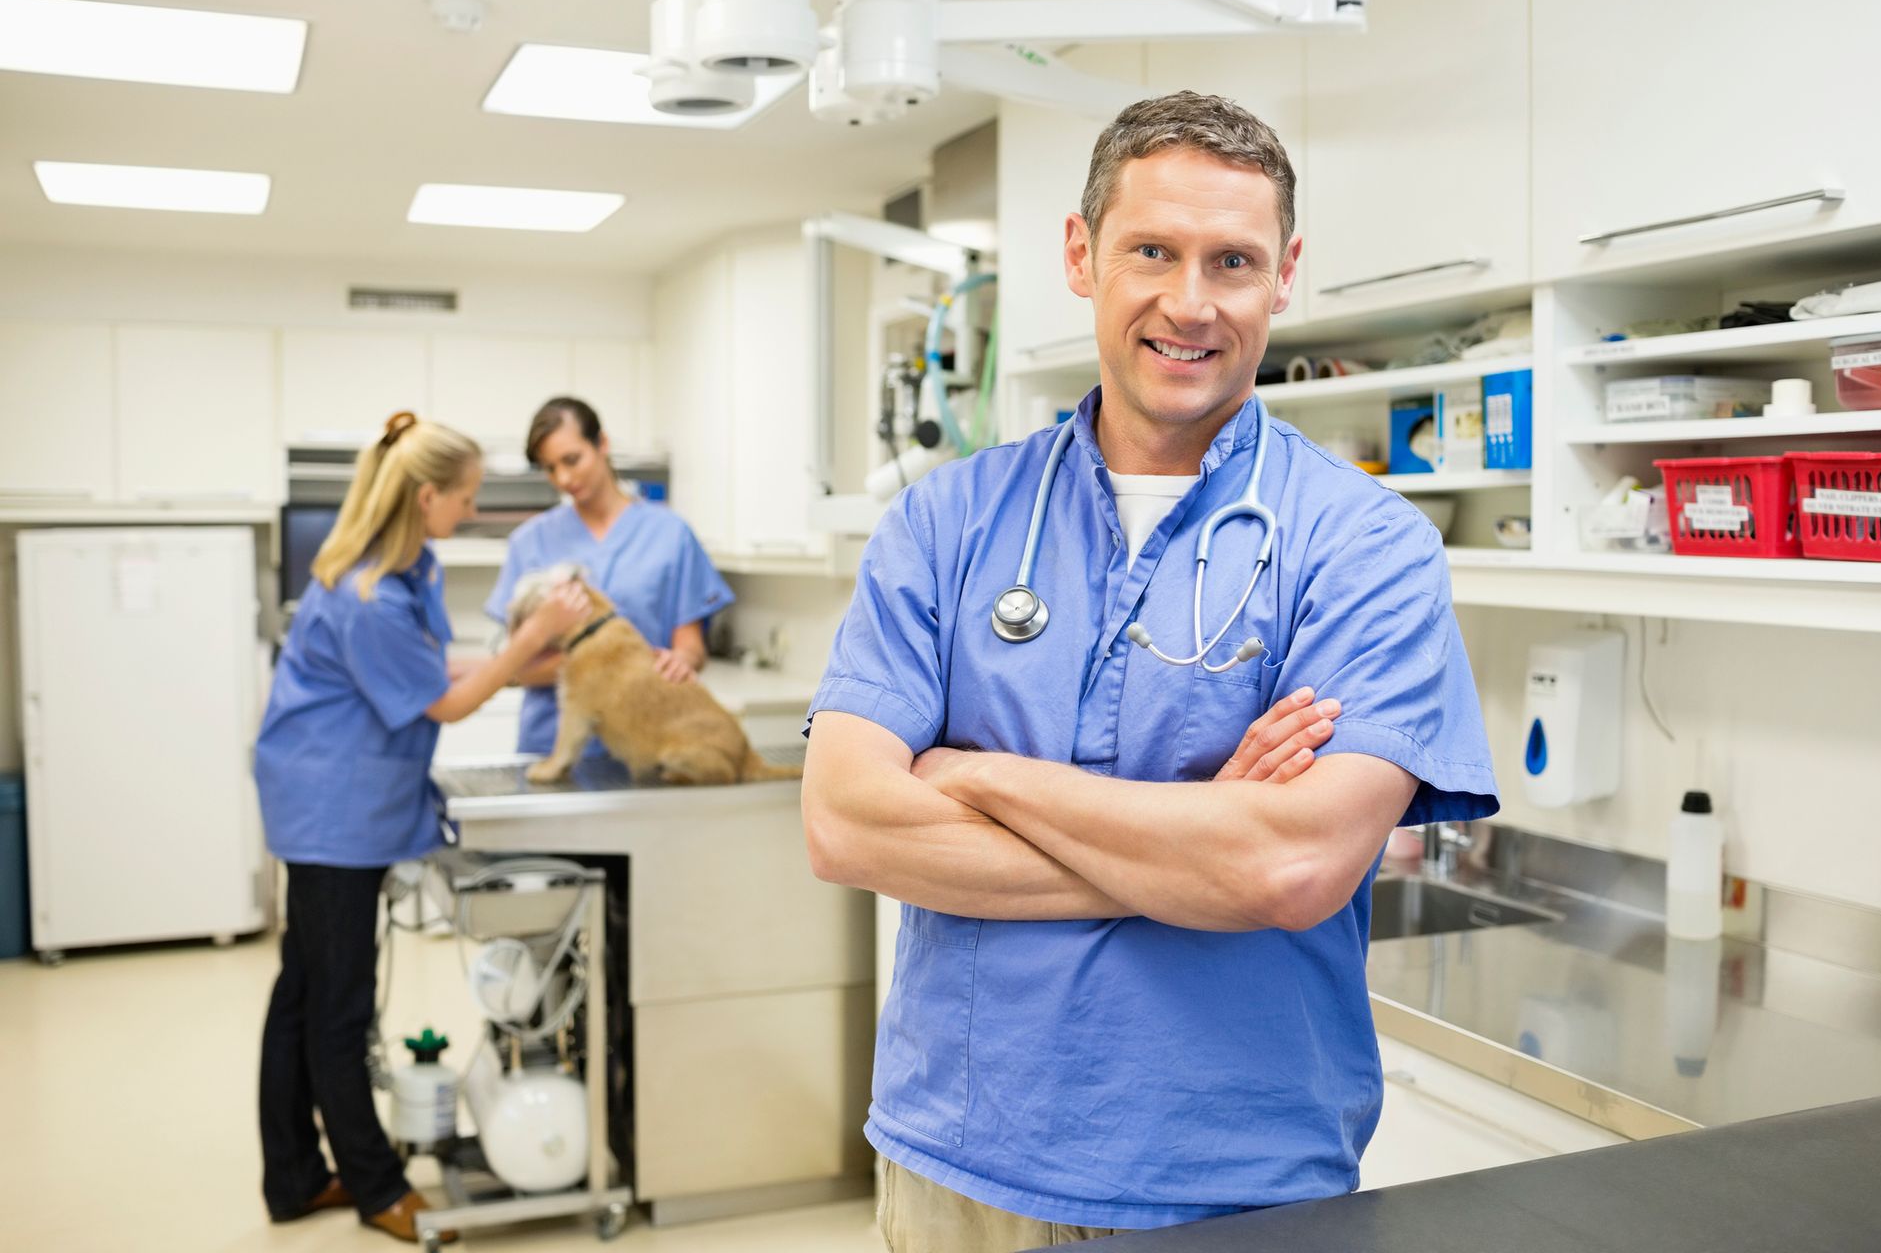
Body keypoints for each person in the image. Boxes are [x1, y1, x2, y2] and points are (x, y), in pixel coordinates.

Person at [803, 91, 1499, 1251]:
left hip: (1239, 1177)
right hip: (962, 1160)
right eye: (1152, 252)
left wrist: (981, 777)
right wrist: (1197, 835)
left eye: (1232, 260)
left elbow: (1288, 865)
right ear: (1082, 256)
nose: (1190, 302)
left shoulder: (1368, 544)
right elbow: (847, 825)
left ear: (1284, 276)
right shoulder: (948, 520)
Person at [254, 412, 589, 1244]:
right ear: (427, 495)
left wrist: (529, 660)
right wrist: (531, 641)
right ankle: (376, 1188)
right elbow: (444, 700)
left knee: (303, 989)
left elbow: (433, 667)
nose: (471, 511)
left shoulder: (401, 570)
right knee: (338, 1003)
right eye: (467, 497)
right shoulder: (365, 592)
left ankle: (293, 1175)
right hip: (333, 814)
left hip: (332, 798)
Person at [486, 396, 734, 761]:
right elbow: (517, 665)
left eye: (572, 460)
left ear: (602, 444)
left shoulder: (670, 534)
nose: (564, 479)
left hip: (647, 741)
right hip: (552, 744)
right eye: (550, 468)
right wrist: (607, 667)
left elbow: (691, 645)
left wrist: (681, 660)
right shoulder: (530, 542)